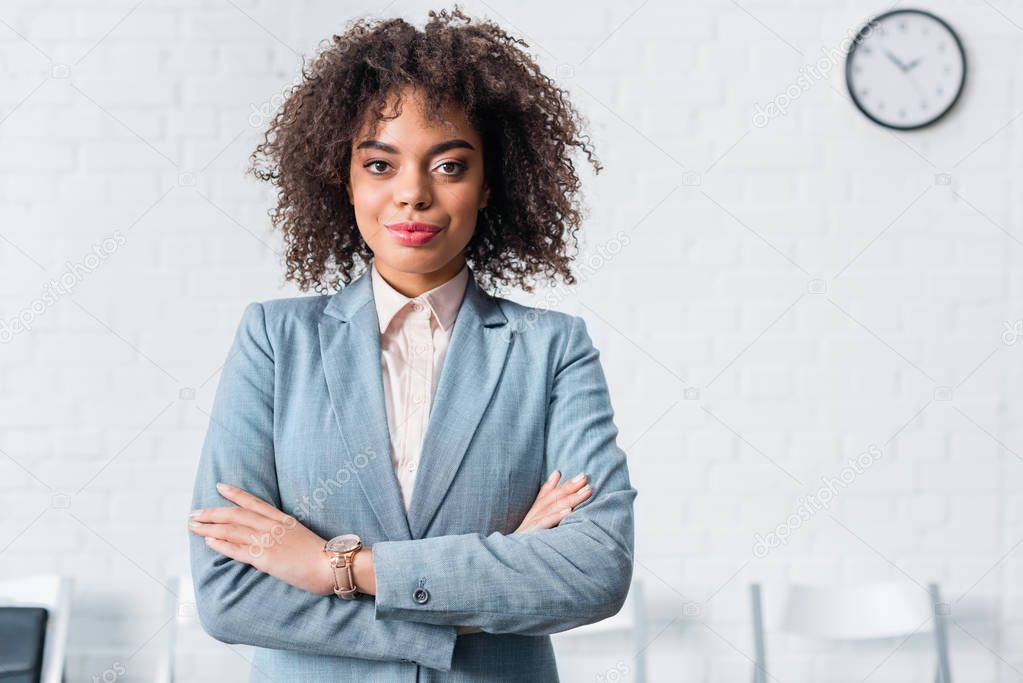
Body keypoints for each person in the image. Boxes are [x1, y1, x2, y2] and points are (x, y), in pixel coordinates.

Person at [187, 6, 636, 681]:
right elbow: (229, 594)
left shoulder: (552, 349)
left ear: (489, 183)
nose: (412, 195)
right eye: (380, 164)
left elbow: (594, 568)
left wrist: (335, 567)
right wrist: (485, 587)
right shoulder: (276, 340)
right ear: (345, 178)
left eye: (449, 166)